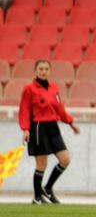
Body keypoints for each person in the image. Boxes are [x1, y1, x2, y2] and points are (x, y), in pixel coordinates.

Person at [18, 60, 80, 204]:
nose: (43, 71)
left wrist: (71, 123)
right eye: (41, 69)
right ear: (35, 71)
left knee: (65, 159)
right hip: (38, 128)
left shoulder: (54, 88)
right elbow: (24, 110)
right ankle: (37, 197)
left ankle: (48, 188)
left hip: (53, 127)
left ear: (50, 71)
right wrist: (25, 129)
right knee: (41, 164)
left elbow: (60, 108)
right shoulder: (29, 89)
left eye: (46, 69)